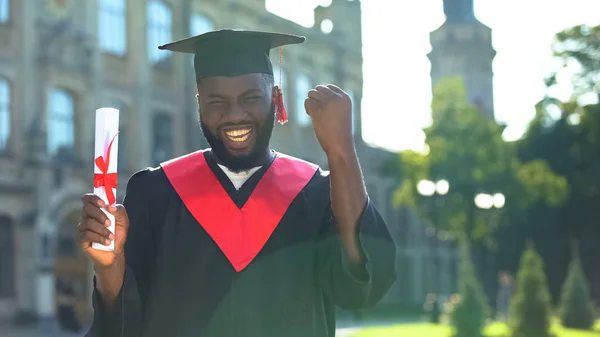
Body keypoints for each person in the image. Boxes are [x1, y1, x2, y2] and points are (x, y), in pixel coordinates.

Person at [79, 29, 397, 337]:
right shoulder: (155, 191)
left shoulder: (314, 194)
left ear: (275, 98)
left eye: (251, 98)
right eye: (216, 101)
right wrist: (110, 266)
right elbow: (121, 319)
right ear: (199, 102)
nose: (234, 115)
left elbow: (361, 287)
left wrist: (341, 151)